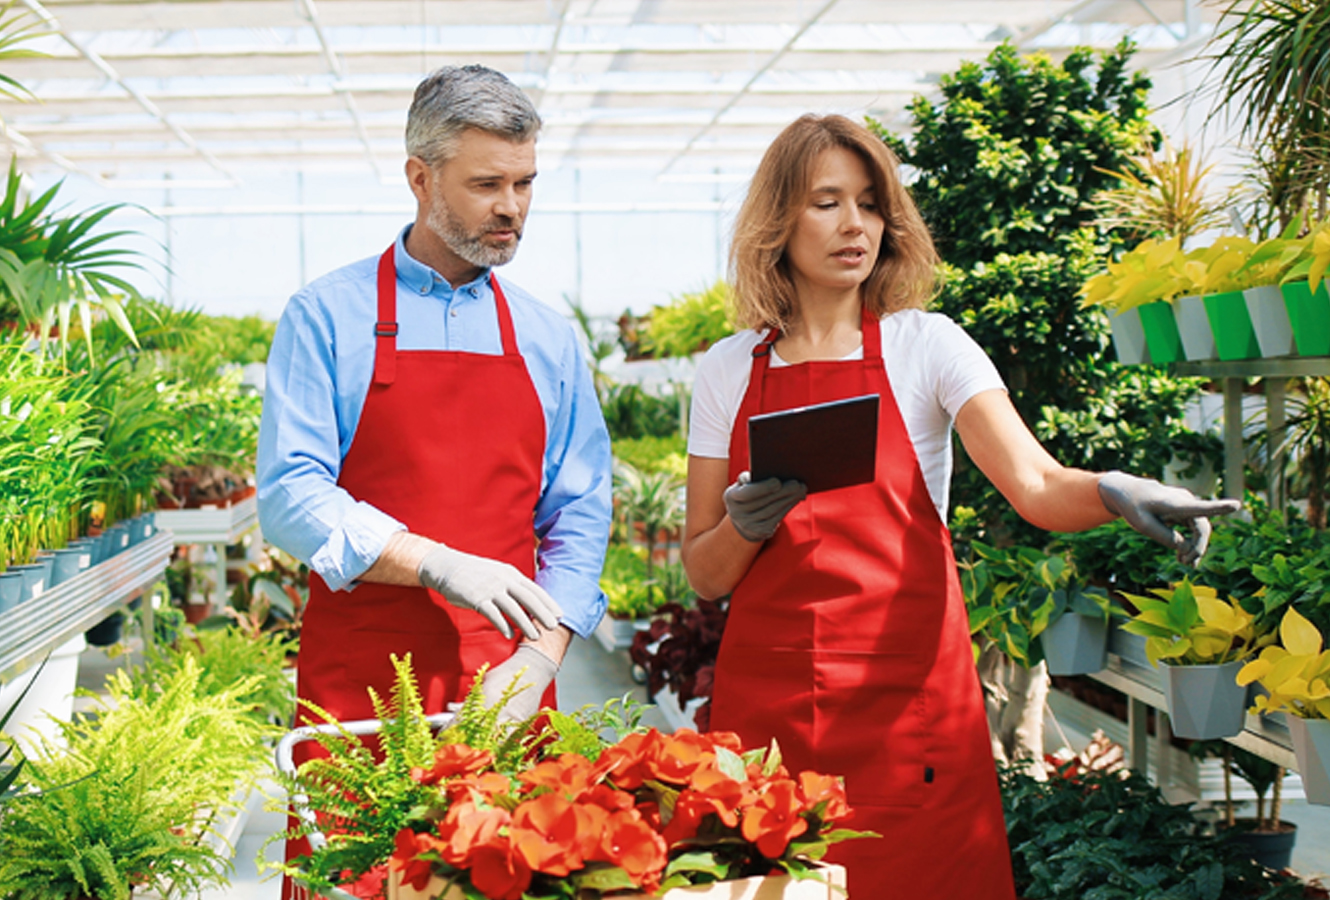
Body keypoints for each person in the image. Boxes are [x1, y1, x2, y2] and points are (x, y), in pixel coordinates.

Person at [681, 114, 1238, 897]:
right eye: (827, 202)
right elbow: (704, 572)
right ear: (779, 222)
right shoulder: (728, 369)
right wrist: (744, 526)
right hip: (769, 705)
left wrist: (1118, 489)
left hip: (907, 706)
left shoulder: (928, 346)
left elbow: (1037, 486)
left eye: (871, 204)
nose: (856, 225)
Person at [257, 64, 611, 893]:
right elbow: (290, 496)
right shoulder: (328, 316)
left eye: (525, 183)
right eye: (486, 183)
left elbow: (582, 507)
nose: (512, 207)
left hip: (507, 682)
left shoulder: (546, 336)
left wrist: (543, 653)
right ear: (419, 177)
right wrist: (437, 562)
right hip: (362, 689)